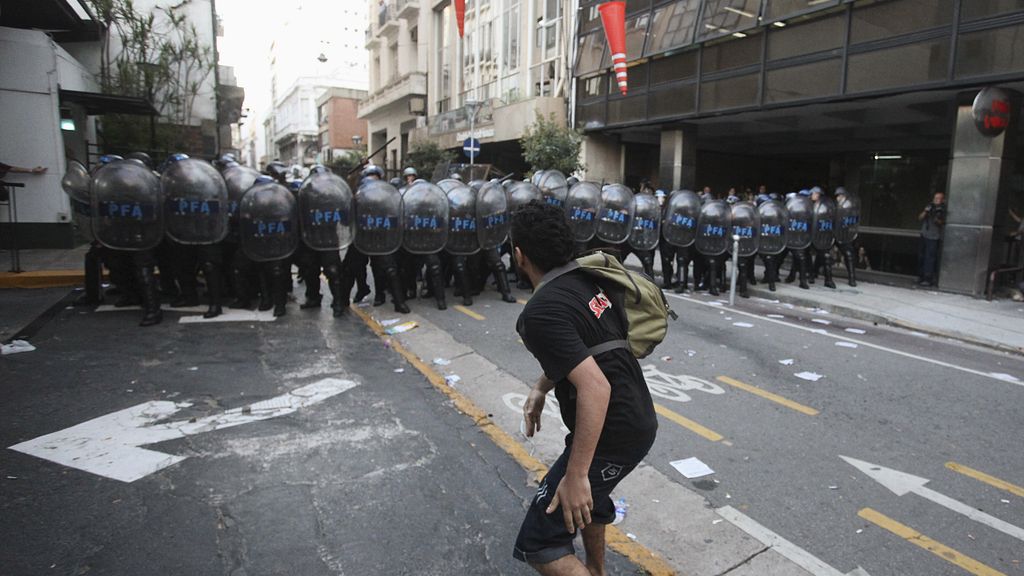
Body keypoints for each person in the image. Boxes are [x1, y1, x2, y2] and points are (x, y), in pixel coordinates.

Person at [511, 201, 658, 576]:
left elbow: (595, 387)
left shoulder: (540, 311)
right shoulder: (587, 279)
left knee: (540, 543)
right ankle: (596, 570)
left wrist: (576, 476)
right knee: (593, 499)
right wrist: (542, 387)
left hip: (616, 429)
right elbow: (589, 351)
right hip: (635, 416)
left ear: (519, 256)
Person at [917, 192, 946, 287]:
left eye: (938, 198)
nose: (936, 200)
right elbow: (920, 217)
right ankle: (920, 276)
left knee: (930, 258)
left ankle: (928, 278)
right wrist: (926, 211)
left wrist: (935, 217)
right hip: (924, 234)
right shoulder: (930, 206)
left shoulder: (942, 209)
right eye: (935, 198)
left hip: (933, 237)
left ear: (942, 200)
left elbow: (941, 223)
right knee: (921, 256)